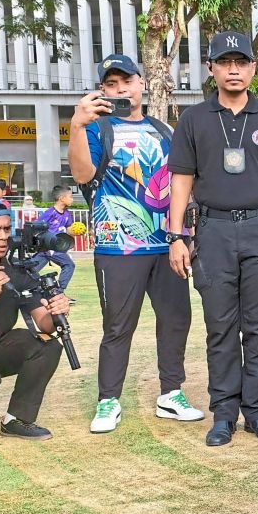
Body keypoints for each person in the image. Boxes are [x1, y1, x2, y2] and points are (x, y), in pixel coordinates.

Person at [167, 30, 258, 447]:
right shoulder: (194, 120)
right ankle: (223, 414)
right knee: (220, 328)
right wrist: (177, 235)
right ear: (211, 68)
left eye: (240, 62)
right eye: (224, 62)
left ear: (253, 68)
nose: (233, 69)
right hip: (213, 231)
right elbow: (182, 180)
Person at [68, 53, 201, 434]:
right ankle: (108, 400)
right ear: (102, 91)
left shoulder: (164, 130)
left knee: (177, 320)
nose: (120, 88)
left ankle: (170, 393)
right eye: (111, 84)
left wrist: (183, 235)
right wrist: (77, 126)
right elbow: (82, 174)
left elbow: (181, 183)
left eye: (126, 80)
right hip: (118, 246)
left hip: (166, 245)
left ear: (142, 83)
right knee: (117, 326)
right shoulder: (97, 128)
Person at [0, 198, 69, 440]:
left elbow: (43, 322)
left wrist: (56, 311)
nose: (2, 237)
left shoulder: (16, 271)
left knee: (46, 346)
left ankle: (16, 419)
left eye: (6, 229)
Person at [31, 186, 77, 292]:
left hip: (56, 246)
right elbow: (36, 227)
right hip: (51, 247)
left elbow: (69, 230)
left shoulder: (67, 213)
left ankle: (34, 288)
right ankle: (58, 291)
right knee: (68, 264)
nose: (72, 199)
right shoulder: (49, 213)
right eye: (70, 196)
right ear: (61, 198)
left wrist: (77, 231)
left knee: (30, 270)